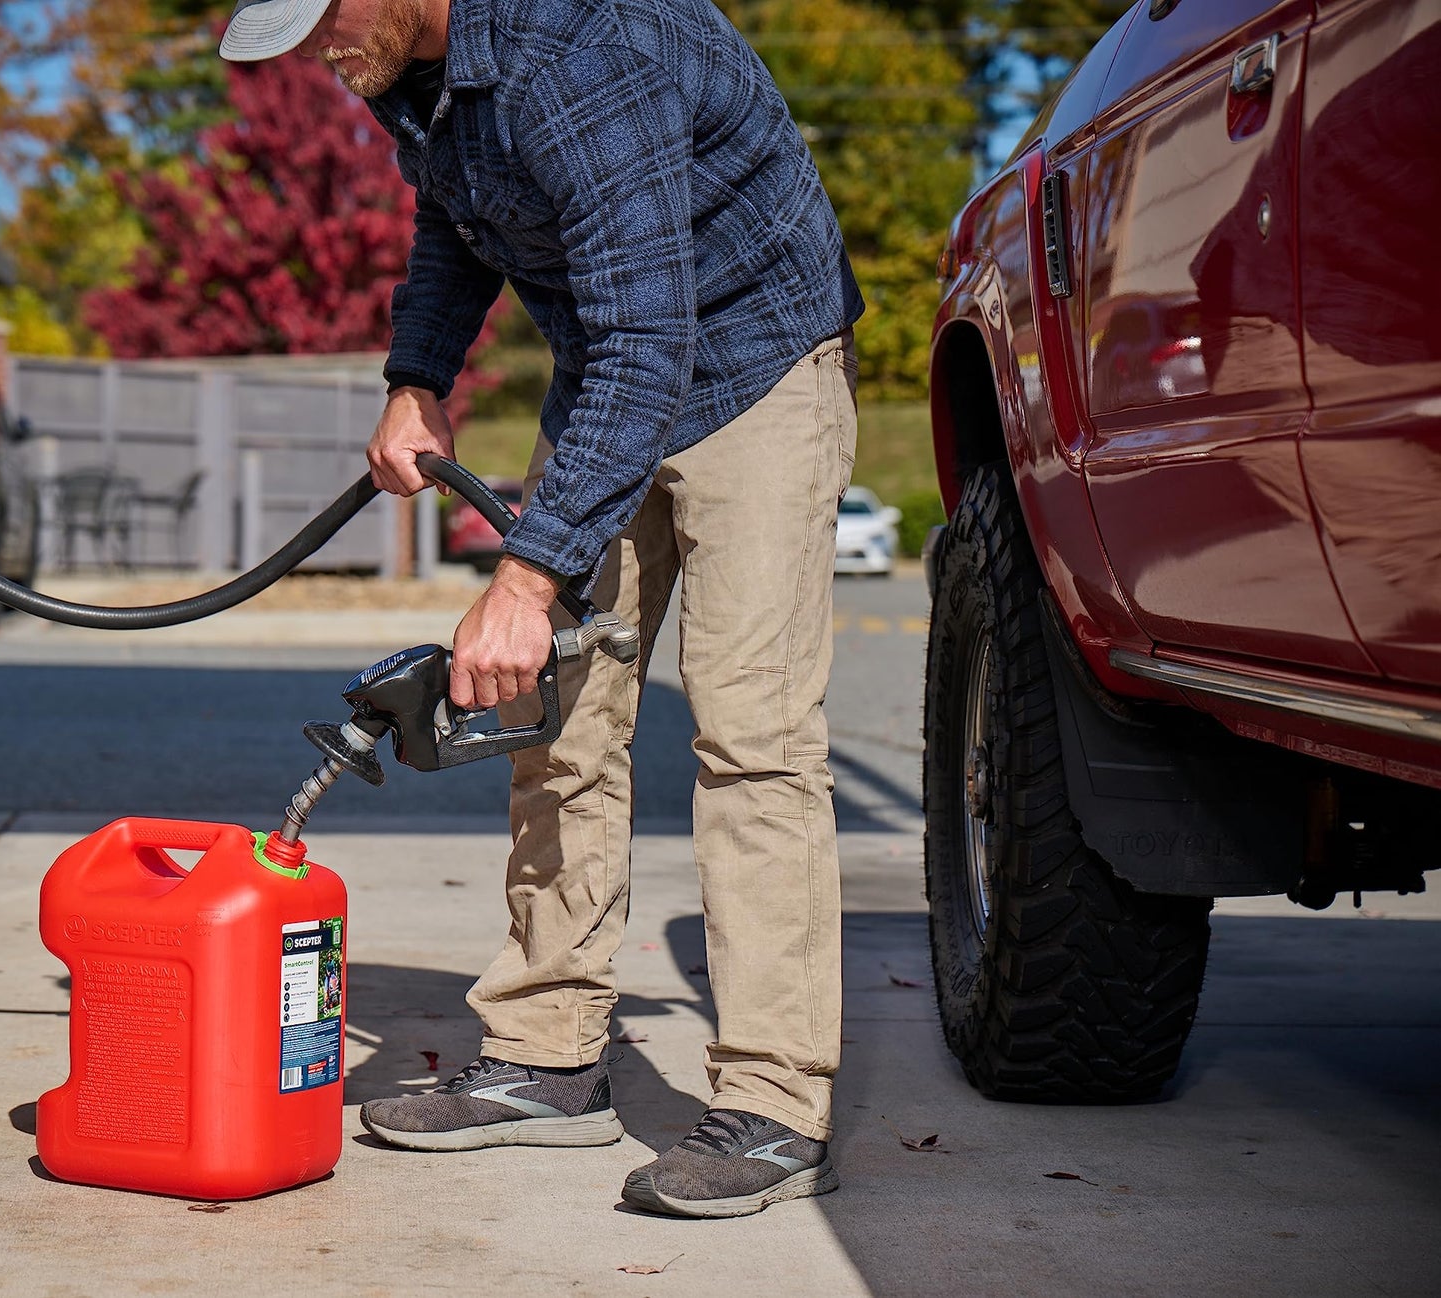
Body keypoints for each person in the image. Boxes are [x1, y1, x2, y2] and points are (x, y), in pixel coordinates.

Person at [222, 0, 861, 1219]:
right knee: (558, 718)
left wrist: (525, 578)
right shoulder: (415, 60)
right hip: (620, 359)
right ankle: (546, 1052)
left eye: (317, 21)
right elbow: (457, 227)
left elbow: (647, 332)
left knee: (751, 737)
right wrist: (416, 379)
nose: (314, 56)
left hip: (754, 364)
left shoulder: (583, 53)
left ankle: (776, 1101)